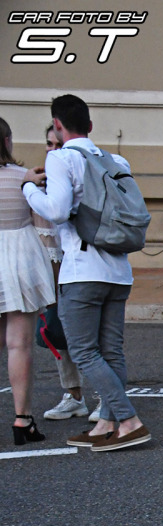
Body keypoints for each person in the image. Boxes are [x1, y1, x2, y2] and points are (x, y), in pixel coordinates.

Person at [21, 94, 149, 450]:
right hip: (119, 269)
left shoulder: (60, 158)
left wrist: (29, 188)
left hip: (82, 269)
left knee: (84, 352)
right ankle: (106, 424)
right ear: (90, 125)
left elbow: (58, 211)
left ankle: (129, 420)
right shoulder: (115, 159)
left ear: (58, 126)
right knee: (112, 352)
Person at [1, 117, 57, 444]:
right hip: (18, 260)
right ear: (6, 141)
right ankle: (22, 420)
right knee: (18, 344)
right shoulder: (23, 178)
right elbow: (45, 221)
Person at [32, 124, 94, 422]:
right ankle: (74, 395)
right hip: (48, 266)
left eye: (55, 144)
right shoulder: (40, 180)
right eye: (48, 144)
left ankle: (108, 399)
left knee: (84, 335)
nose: (50, 150)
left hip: (78, 266)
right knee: (56, 332)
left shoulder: (80, 173)